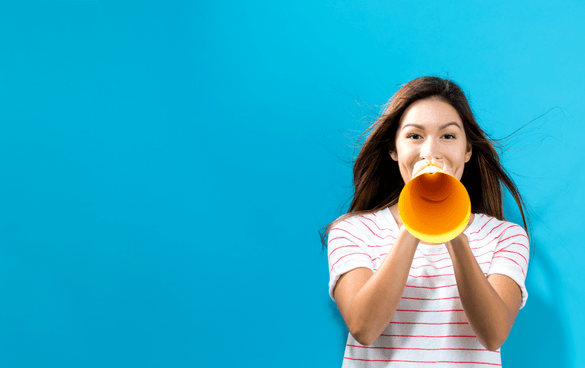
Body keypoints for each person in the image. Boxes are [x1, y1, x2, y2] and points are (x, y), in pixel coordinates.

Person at [323, 76, 532, 367]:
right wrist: (417, 215)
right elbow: (364, 327)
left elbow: (494, 334)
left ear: (467, 151)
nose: (430, 152)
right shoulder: (352, 231)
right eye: (414, 136)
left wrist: (453, 228)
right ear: (394, 150)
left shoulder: (506, 236)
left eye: (448, 136)